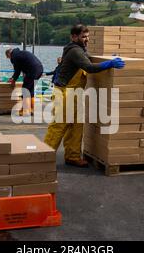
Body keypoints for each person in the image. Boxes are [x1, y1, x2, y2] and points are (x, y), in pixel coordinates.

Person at [44, 24, 125, 168]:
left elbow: (88, 60)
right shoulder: (75, 51)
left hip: (75, 93)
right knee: (59, 126)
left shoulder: (81, 50)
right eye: (83, 37)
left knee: (76, 126)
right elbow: (89, 67)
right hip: (64, 92)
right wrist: (109, 64)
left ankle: (73, 156)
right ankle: (43, 157)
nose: (86, 39)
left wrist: (106, 59)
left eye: (88, 36)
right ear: (74, 37)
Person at [6, 48, 44, 116]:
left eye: (8, 57)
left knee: (25, 90)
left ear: (9, 54)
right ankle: (32, 109)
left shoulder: (15, 56)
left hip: (33, 71)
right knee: (30, 90)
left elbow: (17, 71)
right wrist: (13, 78)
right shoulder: (21, 53)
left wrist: (13, 80)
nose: (10, 59)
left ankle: (25, 111)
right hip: (39, 68)